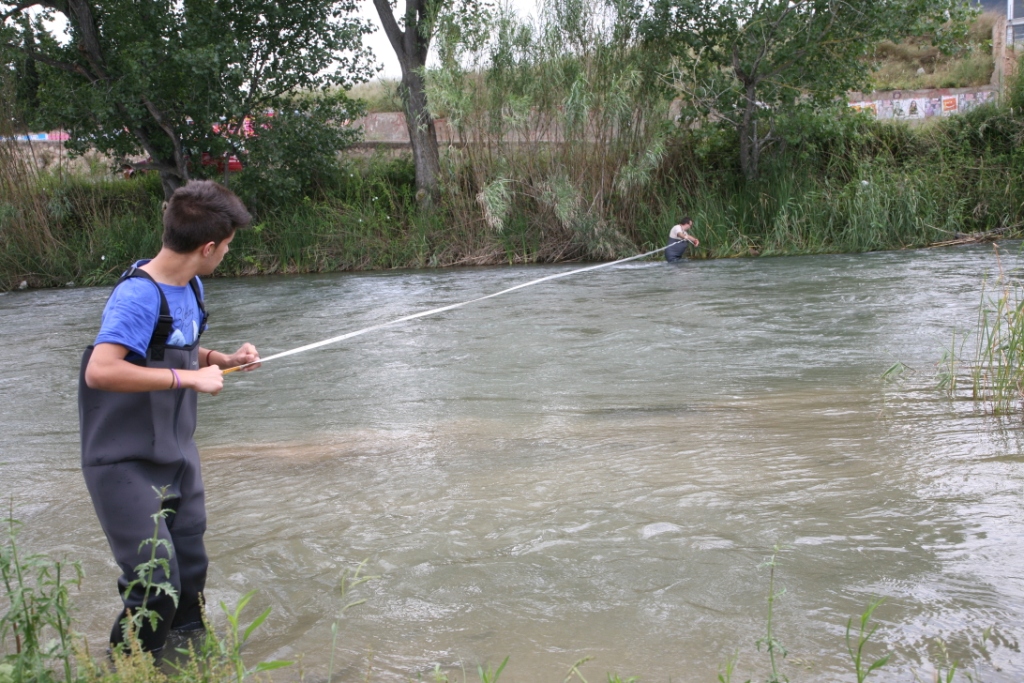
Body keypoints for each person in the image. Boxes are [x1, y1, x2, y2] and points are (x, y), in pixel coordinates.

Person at [79, 180, 260, 659]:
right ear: (207, 247)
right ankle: (124, 671)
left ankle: (191, 667)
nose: (225, 256)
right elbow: (103, 369)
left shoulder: (190, 286)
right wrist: (190, 381)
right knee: (155, 586)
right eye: (226, 248)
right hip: (123, 464)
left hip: (178, 459)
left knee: (191, 578)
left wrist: (221, 360)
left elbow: (173, 350)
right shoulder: (137, 296)